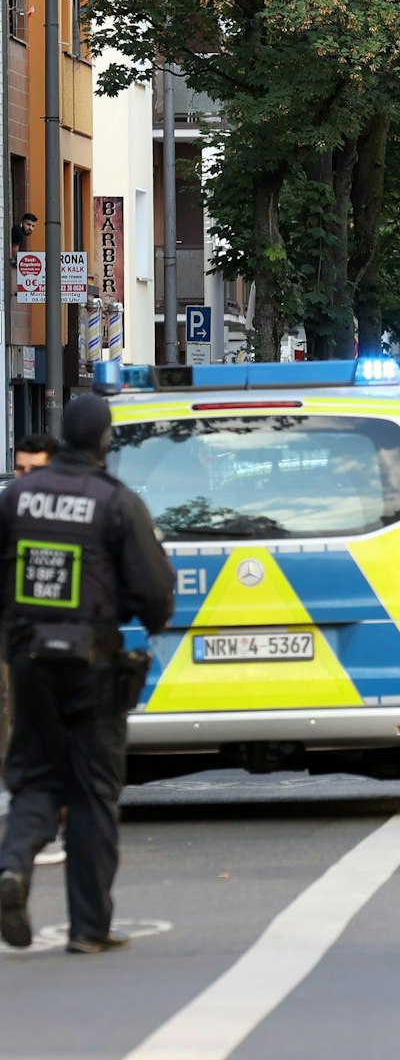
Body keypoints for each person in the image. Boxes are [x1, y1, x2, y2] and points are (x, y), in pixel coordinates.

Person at [0, 394, 174, 954]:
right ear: (104, 440)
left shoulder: (17, 497)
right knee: (94, 789)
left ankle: (12, 868)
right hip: (92, 664)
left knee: (35, 775)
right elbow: (153, 596)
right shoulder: (115, 503)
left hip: (28, 660)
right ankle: (90, 928)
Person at [10, 435, 66, 867]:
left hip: (68, 650)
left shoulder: (76, 514)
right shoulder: (7, 511)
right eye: (19, 470)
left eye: (35, 470)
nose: (25, 479)